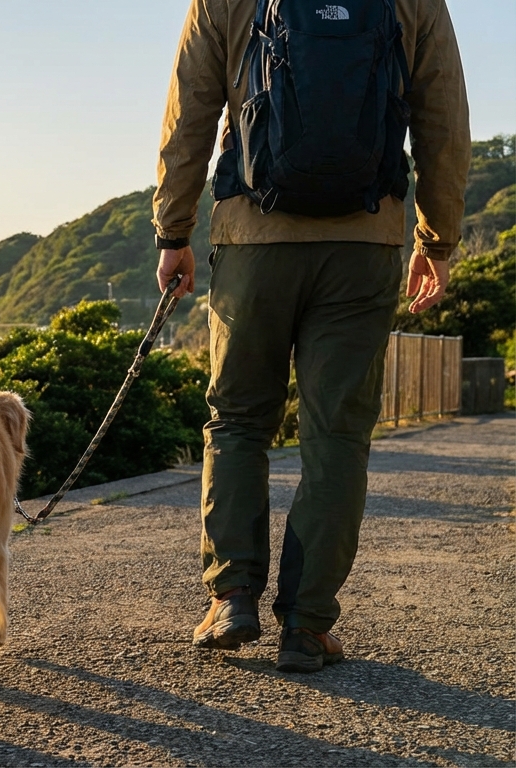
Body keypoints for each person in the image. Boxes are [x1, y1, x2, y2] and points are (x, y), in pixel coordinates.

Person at [152, 0, 469, 672]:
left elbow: (191, 113)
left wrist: (172, 231)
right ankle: (307, 624)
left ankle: (231, 595)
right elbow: (442, 118)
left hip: (251, 241)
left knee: (237, 421)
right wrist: (436, 240)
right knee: (337, 436)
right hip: (364, 242)